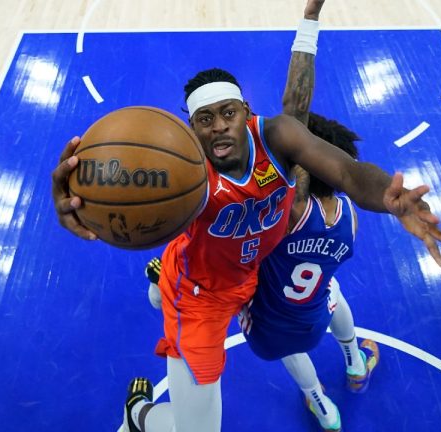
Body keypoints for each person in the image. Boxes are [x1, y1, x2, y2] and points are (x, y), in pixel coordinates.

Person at [50, 1, 441, 431]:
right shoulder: (179, 169)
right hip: (200, 293)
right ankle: (141, 414)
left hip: (254, 272)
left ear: (246, 110)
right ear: (190, 127)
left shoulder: (277, 137)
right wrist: (80, 206)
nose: (219, 126)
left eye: (228, 113)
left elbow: (348, 172)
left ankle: (163, 287)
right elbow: (116, 189)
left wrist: (388, 198)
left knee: (316, 301)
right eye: (204, 119)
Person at [147, 112, 374, 432]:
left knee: (286, 345)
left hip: (265, 323)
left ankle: (323, 407)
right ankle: (354, 362)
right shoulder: (349, 217)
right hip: (314, 311)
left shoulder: (284, 213)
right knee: (331, 287)